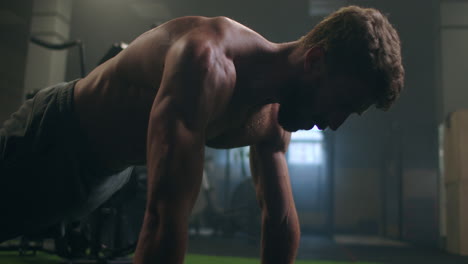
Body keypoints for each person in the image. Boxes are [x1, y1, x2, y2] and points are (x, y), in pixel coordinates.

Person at [0, 5, 404, 264]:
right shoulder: (208, 63)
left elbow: (278, 221)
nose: (334, 122)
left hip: (104, 177)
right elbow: (163, 217)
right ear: (315, 61)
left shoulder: (275, 118)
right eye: (342, 103)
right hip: (52, 141)